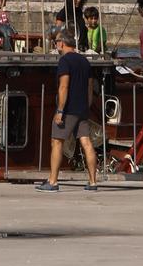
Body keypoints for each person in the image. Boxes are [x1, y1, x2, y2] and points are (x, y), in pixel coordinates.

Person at [36, 30, 100, 193]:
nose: (56, 44)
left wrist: (60, 110)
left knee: (57, 142)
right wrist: (87, 105)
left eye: (56, 41)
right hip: (82, 109)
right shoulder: (85, 61)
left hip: (68, 109)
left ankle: (53, 181)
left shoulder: (65, 61)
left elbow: (63, 86)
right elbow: (90, 86)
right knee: (86, 143)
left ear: (62, 43)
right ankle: (93, 182)